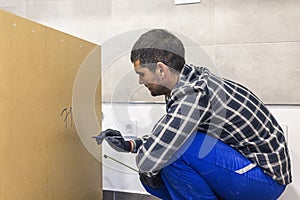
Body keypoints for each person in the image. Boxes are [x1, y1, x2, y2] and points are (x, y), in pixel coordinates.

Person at [95, 29, 292, 200]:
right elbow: (170, 133)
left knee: (168, 157)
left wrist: (151, 169)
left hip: (265, 179)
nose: (140, 81)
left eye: (141, 74)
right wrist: (132, 144)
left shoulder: (193, 96)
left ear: (161, 70)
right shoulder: (186, 83)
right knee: (168, 153)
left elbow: (157, 153)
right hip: (251, 169)